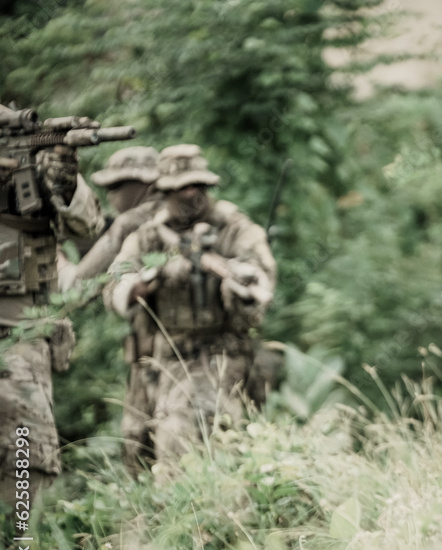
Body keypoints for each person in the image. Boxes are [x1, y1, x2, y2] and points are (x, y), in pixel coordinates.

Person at [103, 144, 276, 478]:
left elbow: (259, 283)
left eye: (197, 186)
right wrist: (156, 275)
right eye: (180, 187)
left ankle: (200, 523)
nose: (190, 194)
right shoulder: (150, 236)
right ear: (164, 190)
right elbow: (116, 286)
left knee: (187, 440)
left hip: (216, 357)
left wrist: (226, 271)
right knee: (137, 453)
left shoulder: (234, 228)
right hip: (157, 361)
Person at [0, 106, 105, 513]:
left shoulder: (30, 170)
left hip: (21, 344)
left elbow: (90, 225)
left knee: (26, 463)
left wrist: (65, 181)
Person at [58, 146, 163, 292]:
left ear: (142, 183)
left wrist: (60, 262)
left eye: (114, 186)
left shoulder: (127, 223)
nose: (110, 196)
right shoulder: (175, 210)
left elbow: (78, 287)